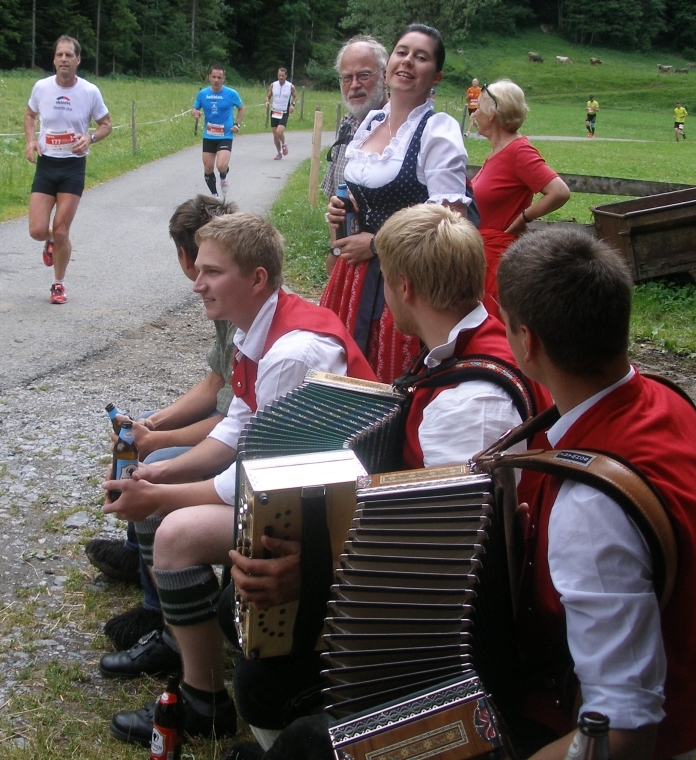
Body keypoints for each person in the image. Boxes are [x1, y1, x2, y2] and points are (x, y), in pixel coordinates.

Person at [221, 204, 550, 758]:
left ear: (402, 286)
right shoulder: (461, 356)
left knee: (285, 706)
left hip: (468, 648)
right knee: (248, 628)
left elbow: (443, 567)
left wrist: (313, 577)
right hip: (435, 602)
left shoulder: (471, 403)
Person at [99, 212, 376, 747]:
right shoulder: (261, 328)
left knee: (174, 533)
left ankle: (202, 702)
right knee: (161, 509)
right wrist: (159, 469)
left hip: (332, 516)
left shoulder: (292, 351)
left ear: (256, 279)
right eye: (198, 269)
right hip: (299, 493)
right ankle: (183, 648)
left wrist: (158, 493)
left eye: (211, 272)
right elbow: (236, 429)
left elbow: (251, 478)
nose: (197, 283)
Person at [496, 227, 696, 759]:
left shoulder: (590, 508)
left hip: (649, 741)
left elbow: (621, 731)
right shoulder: (664, 399)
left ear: (528, 342)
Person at [85, 195, 238, 651]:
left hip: (238, 438)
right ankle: (139, 559)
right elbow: (215, 382)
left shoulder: (234, 307)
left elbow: (232, 419)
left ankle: (159, 611)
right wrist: (151, 423)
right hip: (230, 423)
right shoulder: (229, 301)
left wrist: (160, 440)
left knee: (155, 460)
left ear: (184, 256)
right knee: (141, 444)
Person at [320, 23, 471, 383]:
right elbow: (368, 194)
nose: (408, 62)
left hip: (404, 283)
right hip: (351, 275)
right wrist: (345, 209)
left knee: (386, 381)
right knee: (338, 370)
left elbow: (451, 224)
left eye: (421, 57)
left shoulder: (438, 130)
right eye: (402, 52)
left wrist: (374, 244)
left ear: (436, 76)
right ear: (389, 66)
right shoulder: (371, 123)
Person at [25, 35, 112, 305]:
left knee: (62, 230)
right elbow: (30, 115)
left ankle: (58, 284)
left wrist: (90, 138)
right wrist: (30, 141)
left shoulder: (89, 91)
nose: (64, 59)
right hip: (47, 164)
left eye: (68, 55)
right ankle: (49, 240)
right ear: (54, 60)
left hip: (73, 166)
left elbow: (106, 124)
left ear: (77, 60)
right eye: (59, 55)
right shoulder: (41, 87)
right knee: (38, 230)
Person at [471, 79, 569, 312]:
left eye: (479, 108)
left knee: (496, 331)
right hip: (481, 255)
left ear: (492, 113)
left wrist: (523, 218)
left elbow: (559, 191)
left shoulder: (518, 151)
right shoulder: (498, 150)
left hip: (497, 258)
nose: (474, 114)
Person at [322, 36, 388, 275]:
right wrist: (335, 251)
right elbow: (334, 200)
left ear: (385, 75)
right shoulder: (348, 125)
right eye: (347, 77)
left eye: (364, 75)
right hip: (346, 258)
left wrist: (376, 244)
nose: (354, 85)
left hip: (389, 268)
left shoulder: (402, 132)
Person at [191, 65, 245, 198]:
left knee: (221, 165)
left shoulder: (231, 94)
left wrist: (237, 124)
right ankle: (215, 195)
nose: (216, 80)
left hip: (225, 134)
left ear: (224, 79)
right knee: (208, 167)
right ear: (209, 77)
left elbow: (241, 108)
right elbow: (194, 108)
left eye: (219, 78)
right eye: (213, 77)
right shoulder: (203, 94)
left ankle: (223, 175)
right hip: (209, 135)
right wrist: (195, 113)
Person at [265, 68, 297, 159]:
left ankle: (284, 144)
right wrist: (267, 102)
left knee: (279, 132)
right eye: (279, 75)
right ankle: (279, 153)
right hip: (274, 111)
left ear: (286, 76)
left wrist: (292, 105)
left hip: (284, 112)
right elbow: (268, 96)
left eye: (283, 76)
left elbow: (295, 96)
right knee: (275, 135)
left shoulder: (290, 86)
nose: (281, 77)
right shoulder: (273, 85)